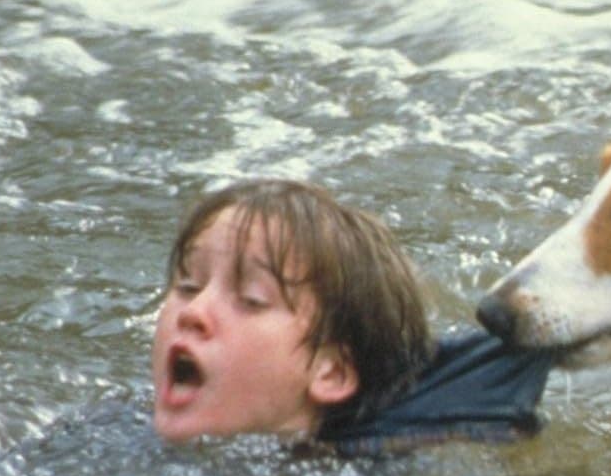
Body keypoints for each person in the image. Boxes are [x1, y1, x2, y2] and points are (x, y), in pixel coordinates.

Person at [151, 179, 552, 455]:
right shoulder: (109, 437)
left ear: (331, 373)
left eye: (252, 300)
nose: (194, 311)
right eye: (187, 285)